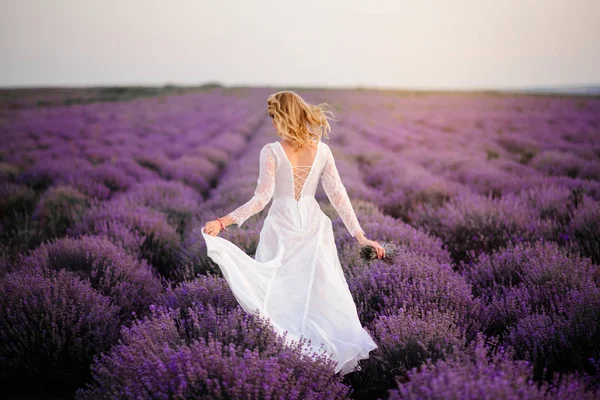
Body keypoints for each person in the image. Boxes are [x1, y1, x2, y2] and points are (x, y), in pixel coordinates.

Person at [201, 90, 383, 375]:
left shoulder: (271, 151)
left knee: (278, 295)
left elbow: (261, 199)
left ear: (285, 117)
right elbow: (338, 196)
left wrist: (222, 222)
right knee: (317, 294)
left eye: (275, 117)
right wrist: (360, 235)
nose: (273, 124)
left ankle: (290, 365)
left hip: (282, 226)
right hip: (312, 225)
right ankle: (314, 363)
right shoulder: (322, 151)